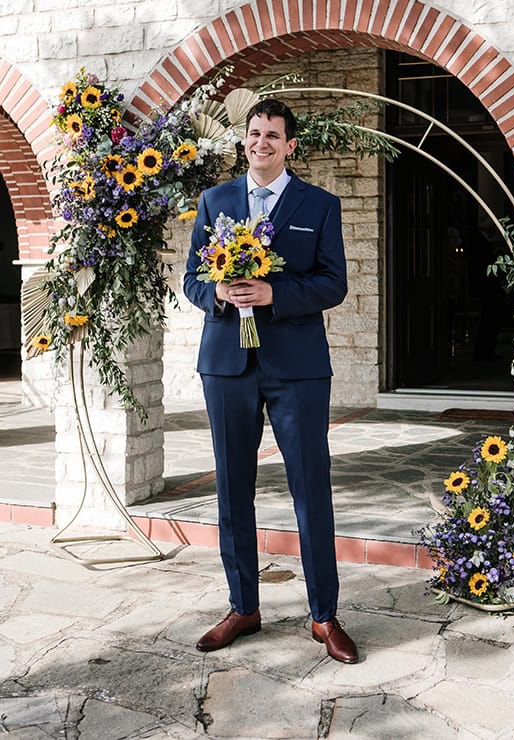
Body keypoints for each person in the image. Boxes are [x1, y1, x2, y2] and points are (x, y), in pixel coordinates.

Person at [183, 98, 358, 664]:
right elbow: (192, 278)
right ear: (246, 141)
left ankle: (324, 616)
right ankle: (243, 607)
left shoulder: (320, 206)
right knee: (233, 487)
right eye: (254, 133)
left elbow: (334, 284)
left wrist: (274, 293)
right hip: (227, 364)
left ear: (290, 146)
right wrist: (221, 294)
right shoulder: (215, 201)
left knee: (311, 488)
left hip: (298, 369)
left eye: (273, 135)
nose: (261, 142)